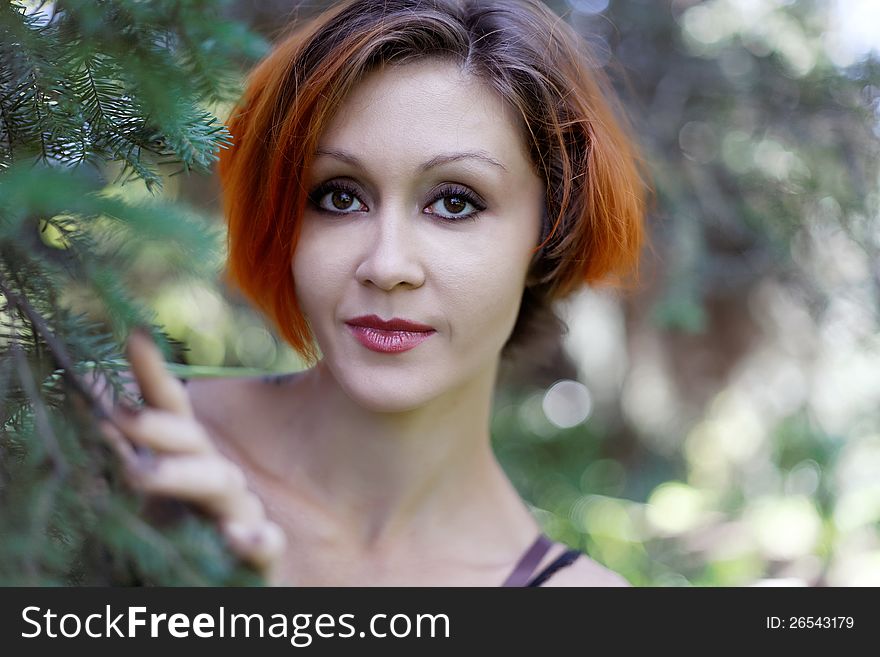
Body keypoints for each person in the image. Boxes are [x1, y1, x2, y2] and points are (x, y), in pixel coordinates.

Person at [100, 0, 645, 586]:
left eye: (454, 202)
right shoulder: (111, 434)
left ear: (551, 228)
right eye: (339, 196)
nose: (387, 266)